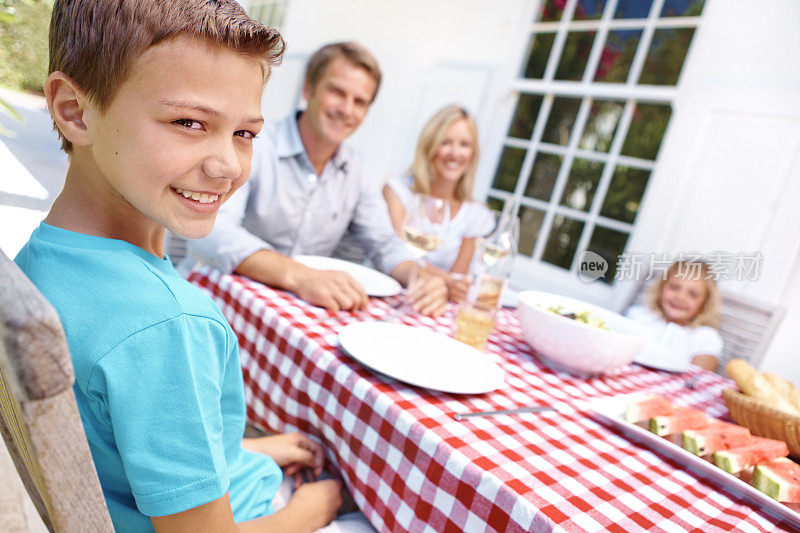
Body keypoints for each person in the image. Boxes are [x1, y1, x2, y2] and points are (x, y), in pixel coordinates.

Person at [14, 1, 367, 530]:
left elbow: (121, 433)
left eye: (244, 133)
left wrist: (246, 450)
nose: (227, 165)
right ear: (74, 111)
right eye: (189, 122)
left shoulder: (41, 259)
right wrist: (306, 513)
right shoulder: (167, 325)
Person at [183, 42, 447, 316]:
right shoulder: (253, 144)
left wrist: (420, 276)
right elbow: (211, 231)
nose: (346, 109)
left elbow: (383, 244)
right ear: (309, 89)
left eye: (359, 102)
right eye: (337, 92)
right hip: (209, 302)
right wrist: (300, 276)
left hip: (283, 317)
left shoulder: (358, 171)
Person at [382, 105, 494, 302]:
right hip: (387, 294)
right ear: (429, 145)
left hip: (428, 303)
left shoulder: (476, 214)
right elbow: (396, 254)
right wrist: (447, 282)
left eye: (464, 144)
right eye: (446, 142)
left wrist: (450, 285)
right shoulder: (397, 190)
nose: (455, 153)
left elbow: (457, 283)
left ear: (473, 154)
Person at [626, 260, 723, 372]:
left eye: (693, 294)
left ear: (704, 304)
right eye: (674, 287)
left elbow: (700, 379)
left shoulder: (705, 337)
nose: (680, 297)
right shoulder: (639, 316)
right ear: (661, 288)